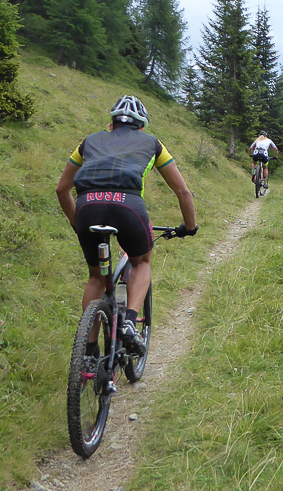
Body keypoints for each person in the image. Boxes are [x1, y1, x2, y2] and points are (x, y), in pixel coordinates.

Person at [55, 95, 198, 356]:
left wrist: (77, 223)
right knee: (141, 262)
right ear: (141, 127)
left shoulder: (88, 142)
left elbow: (62, 189)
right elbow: (183, 192)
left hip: (87, 206)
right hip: (128, 206)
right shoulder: (153, 144)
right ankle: (130, 322)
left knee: (96, 277)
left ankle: (88, 351)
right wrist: (189, 227)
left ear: (111, 125)